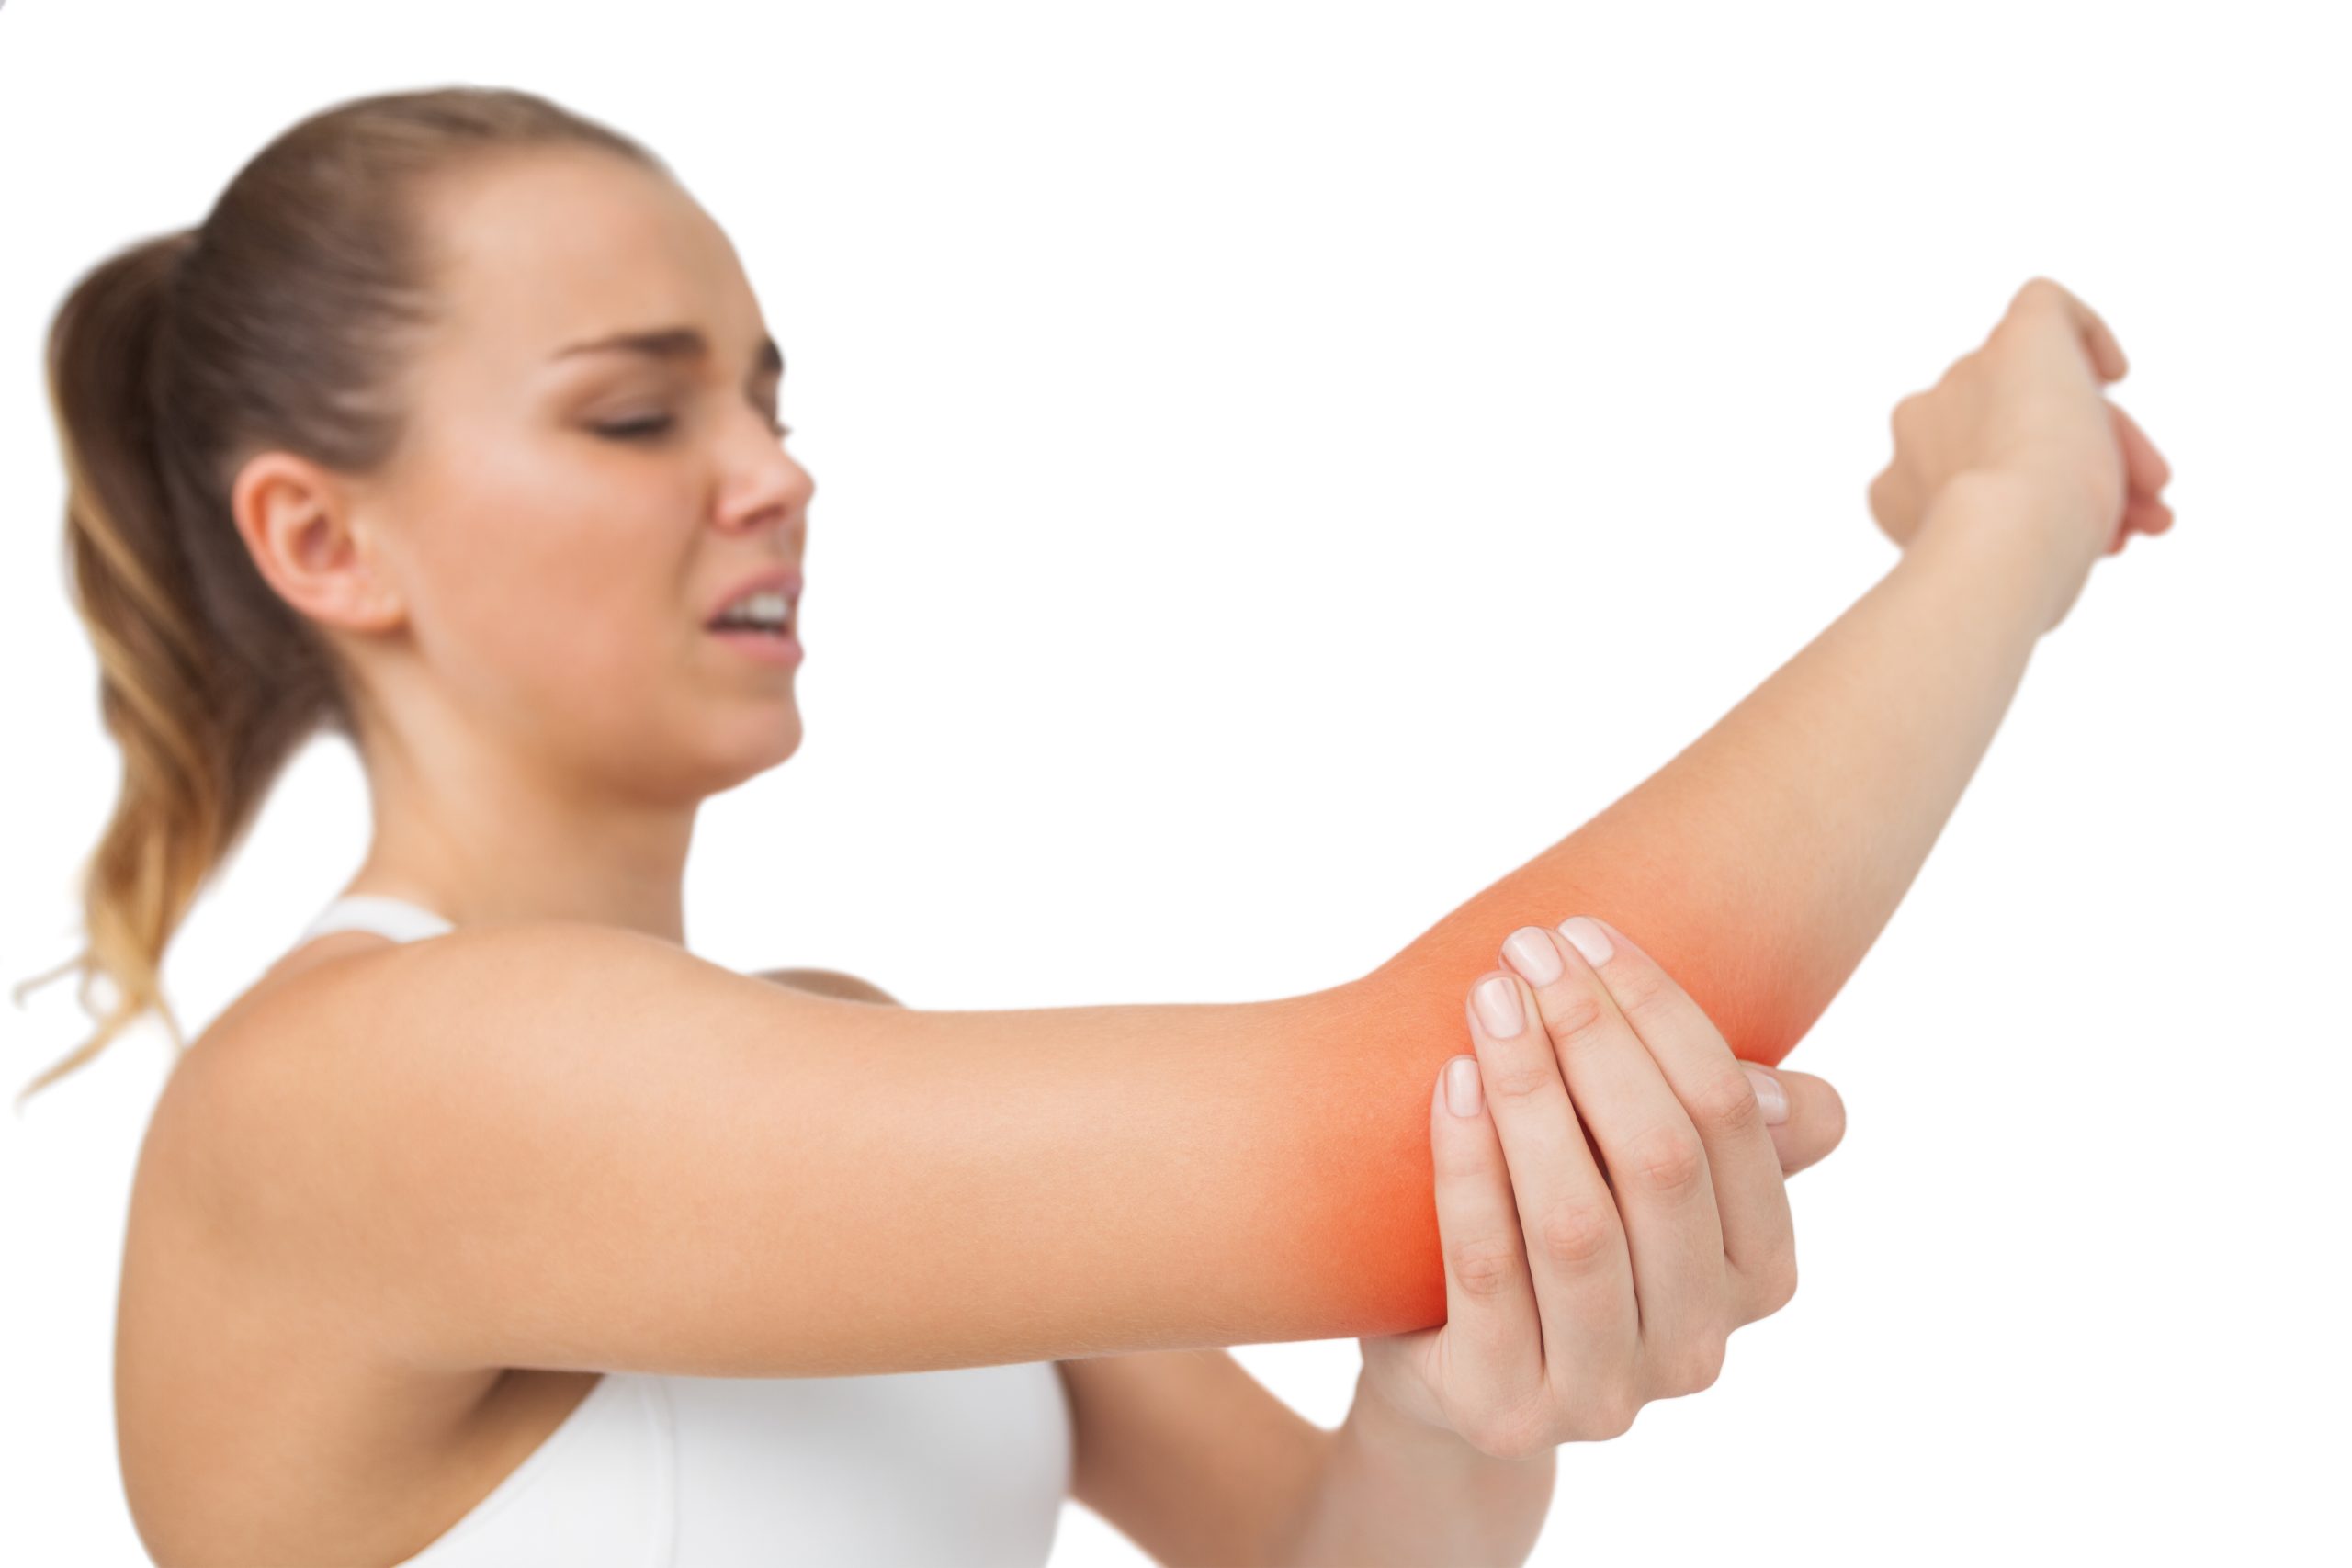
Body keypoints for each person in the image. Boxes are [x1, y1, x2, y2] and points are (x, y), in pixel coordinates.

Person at [20, 84, 2171, 1568]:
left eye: (768, 396)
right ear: (320, 536)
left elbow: (1329, 1544)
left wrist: (1453, 1394)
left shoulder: (823, 1054)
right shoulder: (363, 1082)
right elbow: (1397, 1109)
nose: (770, 471)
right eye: (634, 408)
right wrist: (1999, 533)